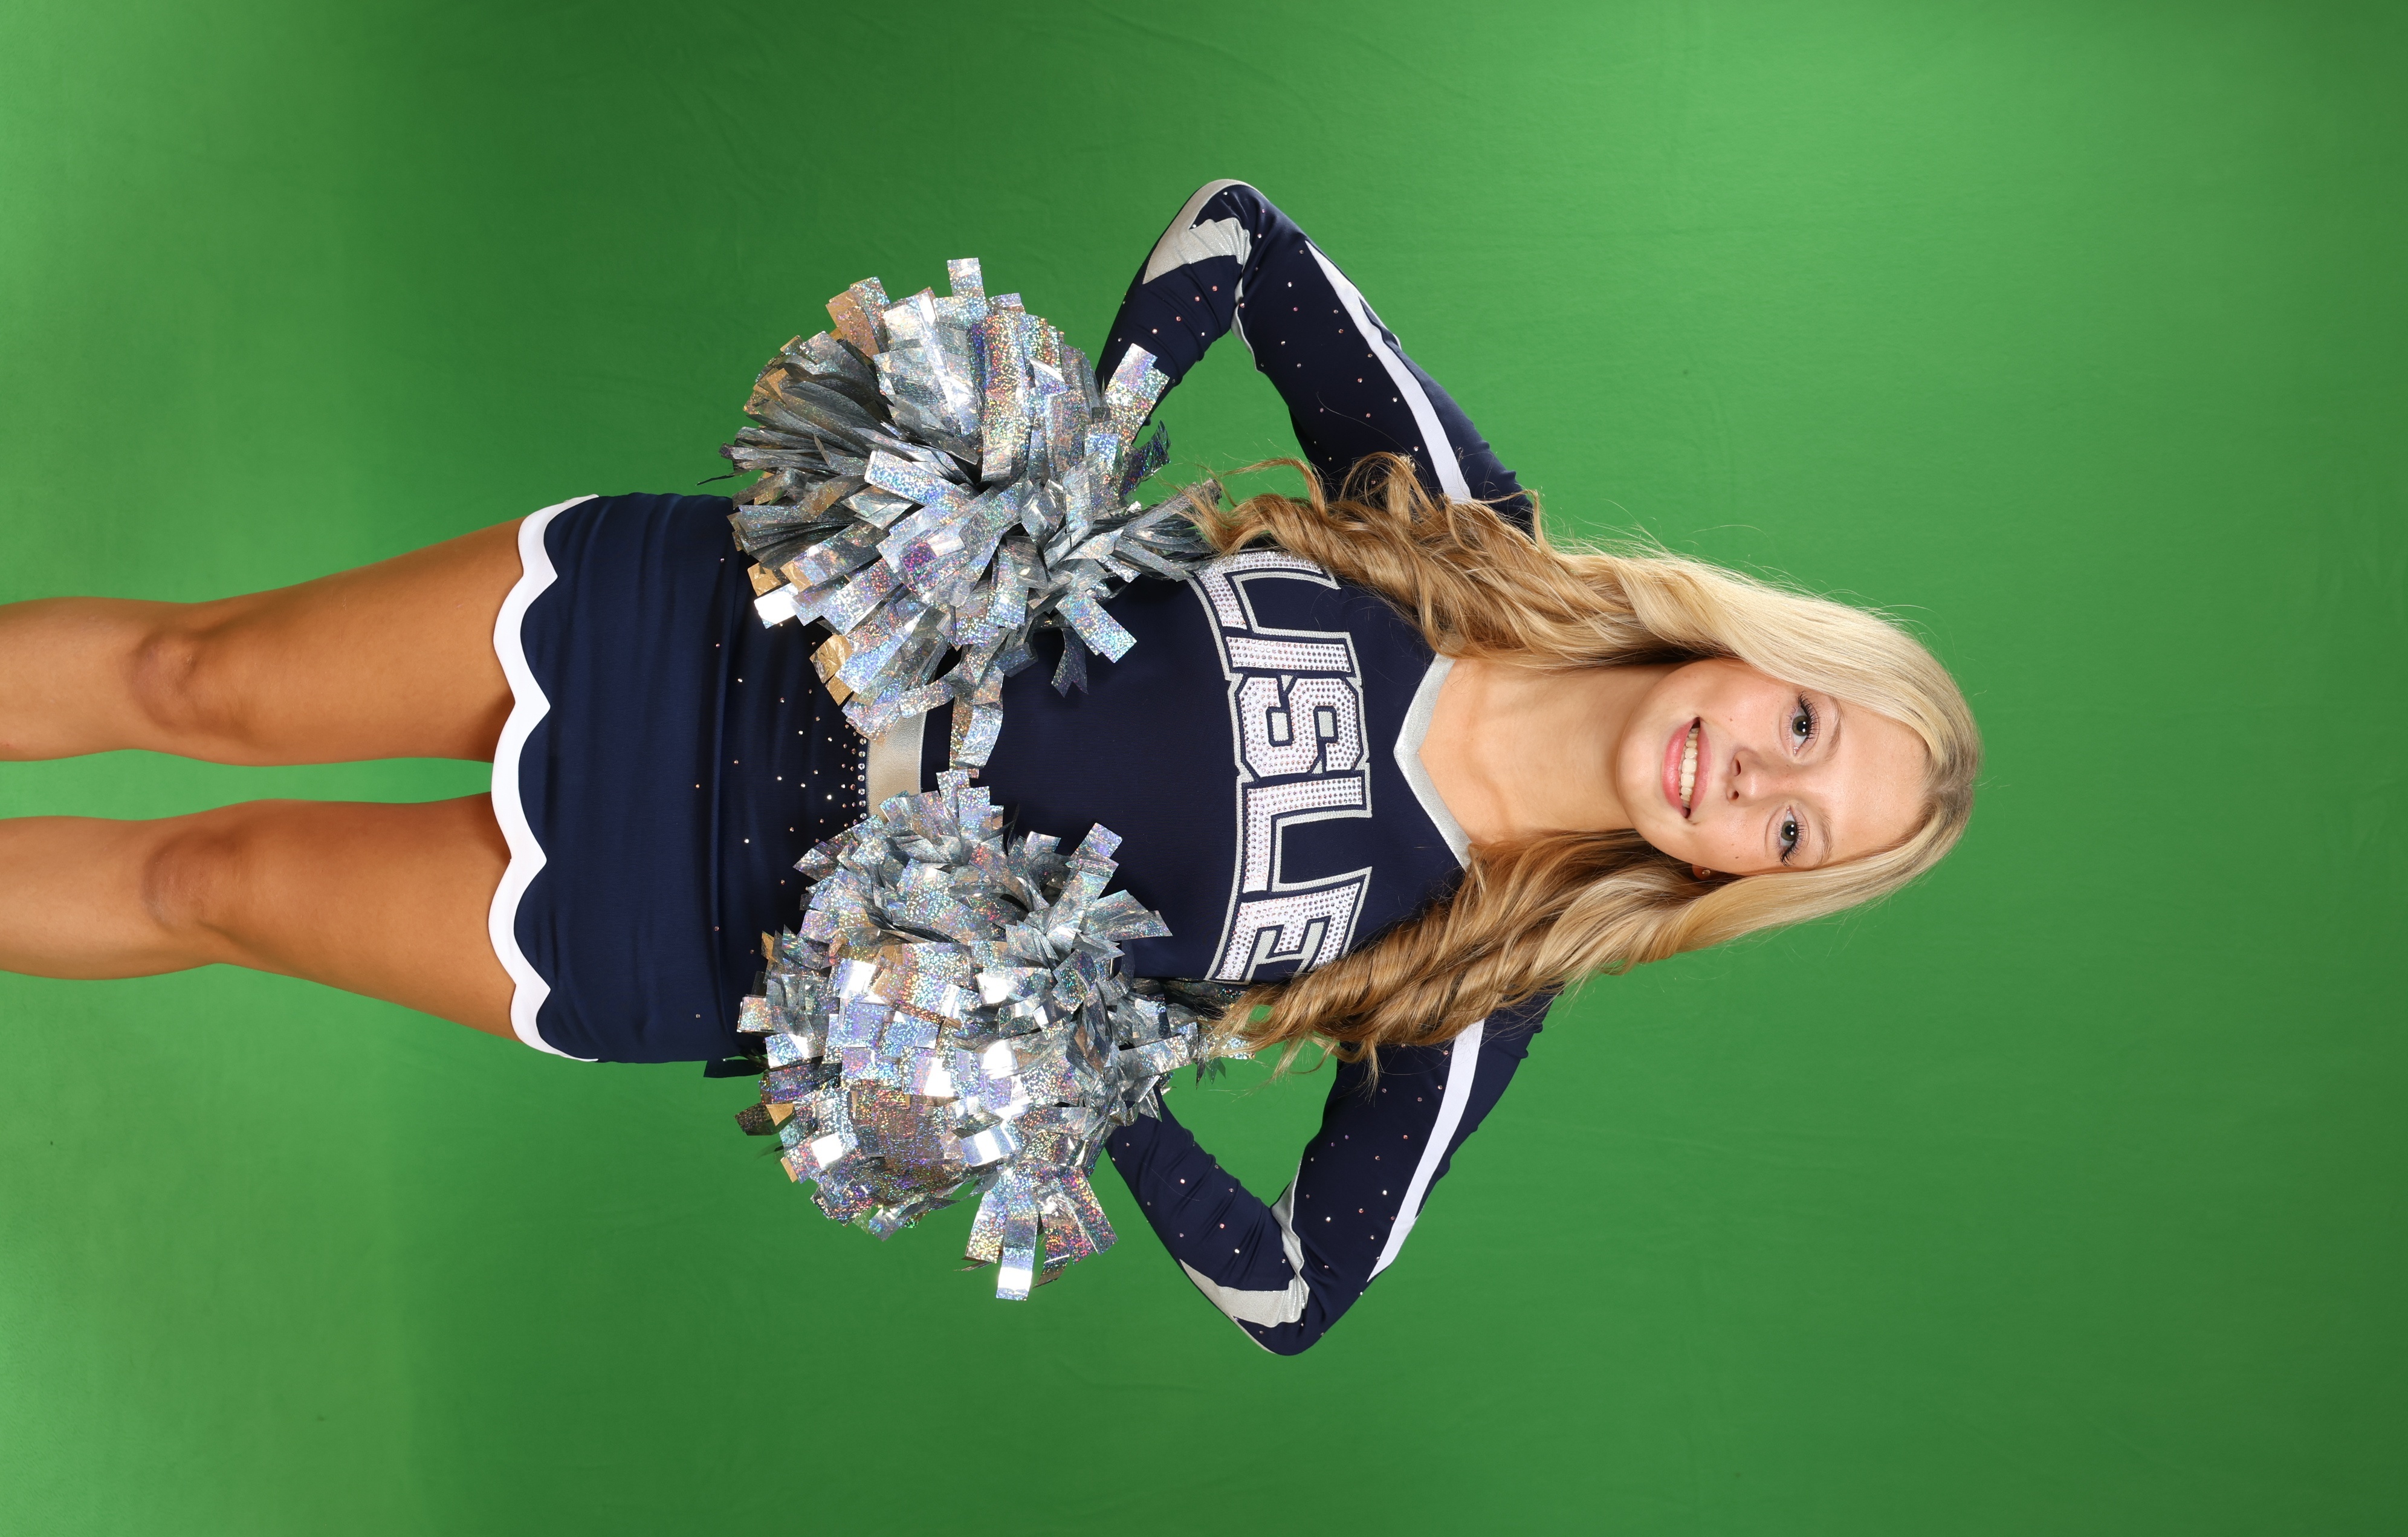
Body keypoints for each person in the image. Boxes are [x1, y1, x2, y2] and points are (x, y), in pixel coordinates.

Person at [0, 182, 1979, 1353]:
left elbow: (1296, 1287)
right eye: (1804, 722)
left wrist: (1088, 1080)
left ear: (1754, 881)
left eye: (1795, 829)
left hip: (724, 927)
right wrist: (1081, 458)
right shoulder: (1465, 526)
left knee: (211, 887)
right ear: (1769, 652)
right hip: (744, 624)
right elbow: (1237, 236)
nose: (1751, 774)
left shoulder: (1475, 980)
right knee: (200, 675)